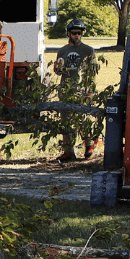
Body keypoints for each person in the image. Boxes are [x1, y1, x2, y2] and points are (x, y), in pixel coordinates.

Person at [54, 19, 101, 161]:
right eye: (74, 33)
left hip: (82, 89)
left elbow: (92, 72)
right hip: (66, 90)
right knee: (66, 120)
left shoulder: (88, 50)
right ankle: (69, 151)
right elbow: (58, 71)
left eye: (79, 33)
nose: (77, 36)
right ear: (68, 33)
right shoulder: (62, 50)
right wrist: (58, 68)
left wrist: (90, 90)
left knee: (82, 120)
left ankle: (89, 146)